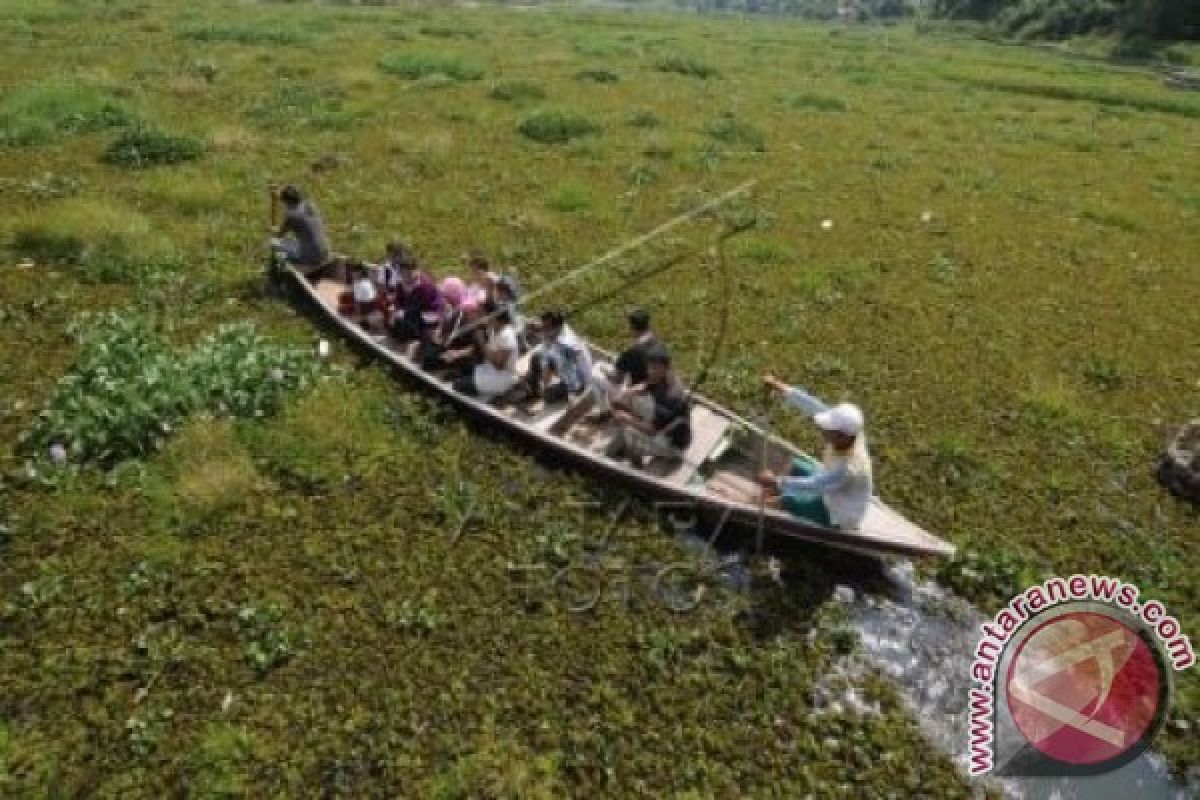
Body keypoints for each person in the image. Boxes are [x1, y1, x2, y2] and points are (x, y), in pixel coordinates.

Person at [756, 374, 873, 530]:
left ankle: (758, 506)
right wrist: (781, 387)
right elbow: (815, 407)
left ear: (842, 436)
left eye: (828, 429)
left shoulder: (849, 468)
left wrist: (778, 481)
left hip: (837, 512)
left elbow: (816, 485)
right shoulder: (853, 432)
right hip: (829, 483)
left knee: (786, 501)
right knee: (795, 465)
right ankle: (771, 492)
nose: (823, 429)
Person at [605, 344, 692, 468]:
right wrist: (625, 393)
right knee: (633, 400)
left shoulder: (670, 396)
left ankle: (635, 464)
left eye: (655, 368)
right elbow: (645, 385)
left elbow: (651, 430)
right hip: (664, 425)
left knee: (628, 431)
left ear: (665, 367)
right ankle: (627, 447)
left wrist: (626, 418)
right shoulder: (664, 377)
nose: (650, 371)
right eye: (649, 367)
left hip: (671, 443)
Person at [588, 308, 661, 420]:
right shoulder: (656, 341)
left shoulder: (632, 351)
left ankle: (604, 411)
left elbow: (616, 379)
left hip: (641, 395)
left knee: (594, 373)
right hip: (656, 390)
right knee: (611, 365)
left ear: (632, 327)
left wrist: (603, 369)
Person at [452, 301, 520, 401]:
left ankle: (490, 393)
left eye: (483, 314)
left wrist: (482, 342)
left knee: (458, 386)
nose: (481, 316)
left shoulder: (507, 336)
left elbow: (499, 365)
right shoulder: (492, 329)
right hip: (489, 368)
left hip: (501, 376)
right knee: (462, 365)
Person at [523, 310, 593, 404]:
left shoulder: (564, 345)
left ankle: (545, 392)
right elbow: (545, 355)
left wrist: (572, 394)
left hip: (578, 380)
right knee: (536, 358)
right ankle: (534, 391)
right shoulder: (554, 331)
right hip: (566, 366)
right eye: (543, 326)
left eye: (547, 327)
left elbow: (571, 377)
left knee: (548, 396)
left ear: (557, 327)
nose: (544, 330)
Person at [387, 248, 443, 344]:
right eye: (403, 273)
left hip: (427, 316)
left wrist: (403, 312)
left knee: (407, 325)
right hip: (412, 315)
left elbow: (421, 307)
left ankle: (413, 341)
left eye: (409, 272)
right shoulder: (402, 284)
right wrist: (396, 310)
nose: (406, 275)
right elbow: (399, 301)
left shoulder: (425, 286)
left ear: (416, 270)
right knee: (394, 320)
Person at [269, 185, 330, 272]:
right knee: (293, 240)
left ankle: (281, 269)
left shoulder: (291, 216)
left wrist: (272, 229)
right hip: (325, 252)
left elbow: (279, 235)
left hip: (311, 257)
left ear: (287, 201)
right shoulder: (310, 205)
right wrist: (276, 194)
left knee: (273, 242)